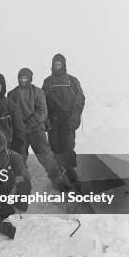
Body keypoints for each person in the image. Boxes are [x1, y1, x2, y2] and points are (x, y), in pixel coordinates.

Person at [8, 68, 70, 190]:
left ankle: (58, 179)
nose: (23, 80)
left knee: (45, 155)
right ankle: (21, 183)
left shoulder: (38, 92)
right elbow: (11, 112)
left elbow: (42, 112)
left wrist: (29, 124)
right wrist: (19, 126)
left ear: (30, 79)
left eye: (25, 78)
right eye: (20, 78)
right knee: (19, 157)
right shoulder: (12, 94)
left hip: (36, 129)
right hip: (20, 131)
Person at [42, 54, 85, 183]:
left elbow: (80, 98)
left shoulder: (72, 81)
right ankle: (58, 171)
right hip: (53, 117)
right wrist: (46, 119)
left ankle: (71, 170)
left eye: (59, 64)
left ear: (63, 65)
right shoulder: (48, 82)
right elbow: (42, 102)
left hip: (68, 117)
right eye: (55, 64)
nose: (57, 66)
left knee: (68, 144)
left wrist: (75, 116)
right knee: (54, 144)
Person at [0, 129, 31, 239]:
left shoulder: (14, 156)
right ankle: (0, 223)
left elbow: (23, 174)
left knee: (25, 184)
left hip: (10, 190)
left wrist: (16, 184)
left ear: (2, 141)